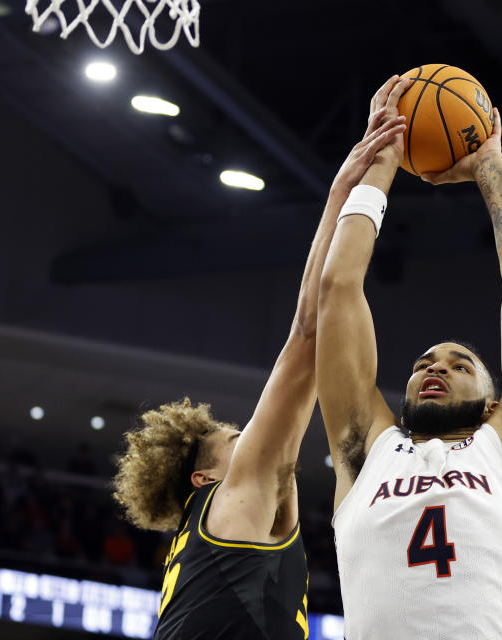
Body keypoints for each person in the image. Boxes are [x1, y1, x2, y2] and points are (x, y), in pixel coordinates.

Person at [111, 97, 407, 639]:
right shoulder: (233, 501)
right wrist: (354, 187)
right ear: (206, 480)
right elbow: (309, 335)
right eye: (235, 439)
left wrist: (345, 190)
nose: (252, 436)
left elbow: (310, 332)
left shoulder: (211, 542)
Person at [317, 75, 502, 638]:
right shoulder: (364, 450)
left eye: (460, 365)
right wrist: (382, 161)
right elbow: (338, 292)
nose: (435, 368)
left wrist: (490, 163)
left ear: (494, 403)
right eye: (425, 362)